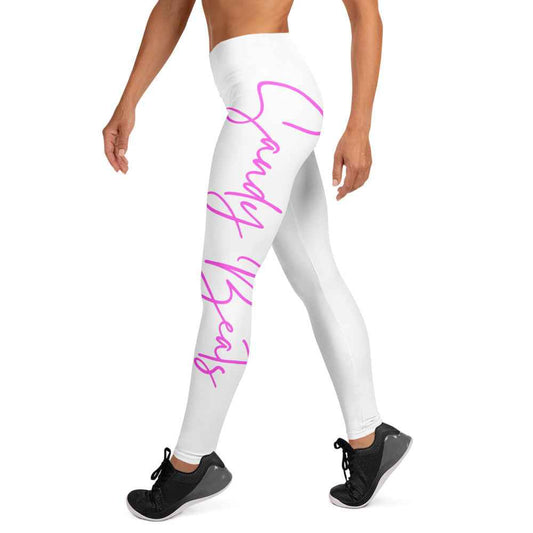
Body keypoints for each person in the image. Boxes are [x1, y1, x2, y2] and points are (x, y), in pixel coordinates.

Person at [103, 0, 411, 520]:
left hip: (268, 101)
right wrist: (128, 100)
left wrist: (360, 125)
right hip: (270, 98)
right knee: (317, 276)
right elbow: (173, 6)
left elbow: (366, 14)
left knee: (226, 285)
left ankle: (190, 463)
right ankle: (370, 439)